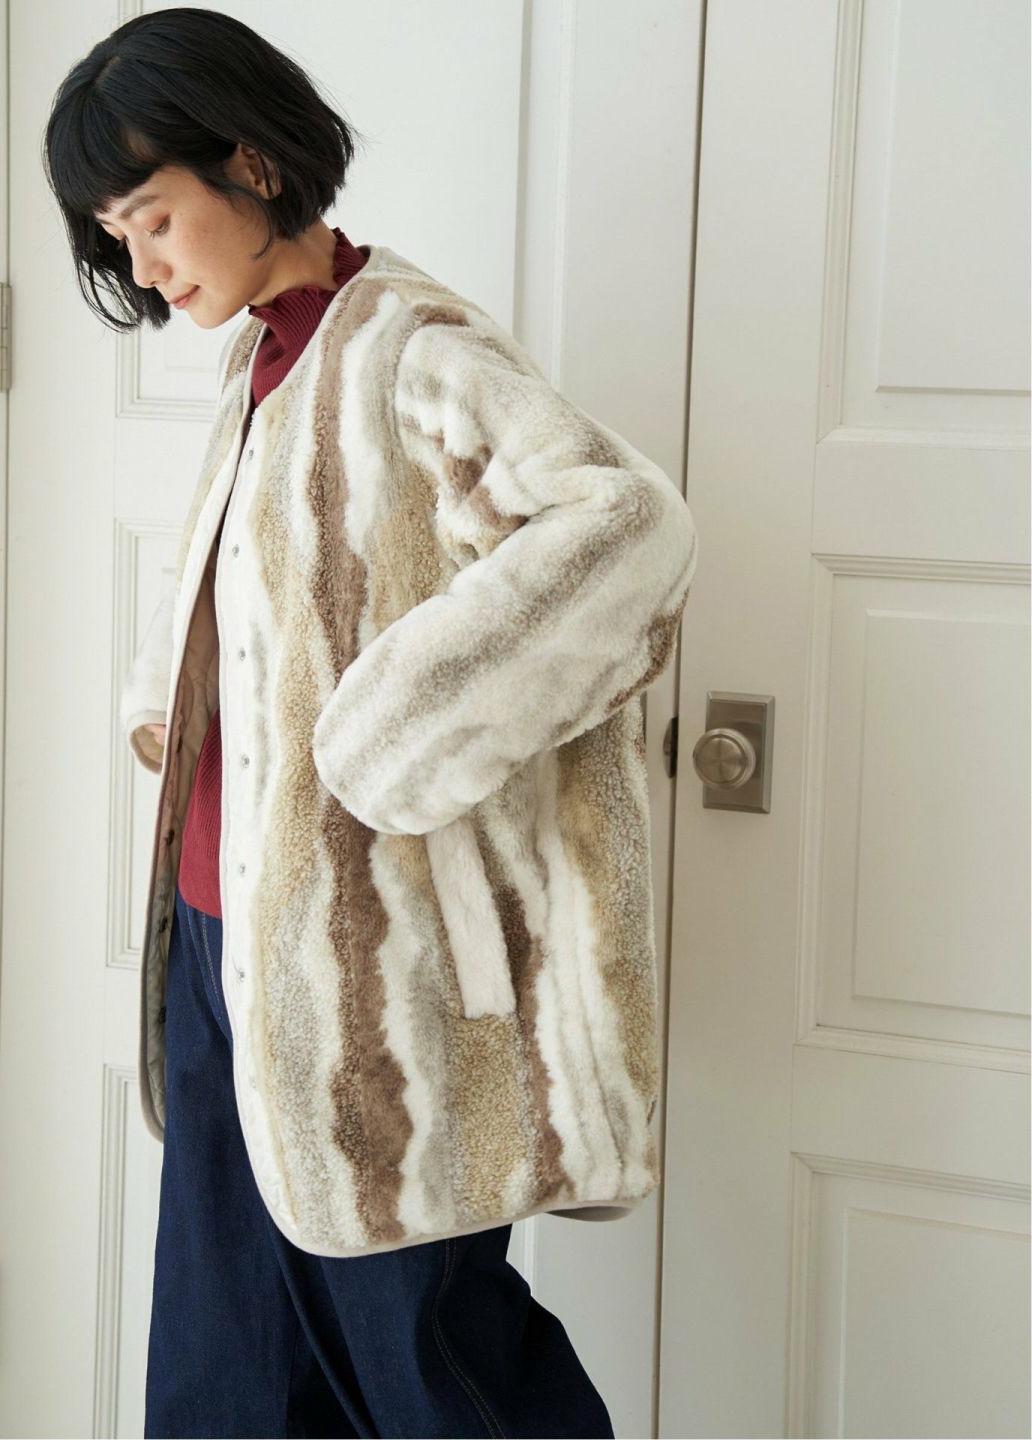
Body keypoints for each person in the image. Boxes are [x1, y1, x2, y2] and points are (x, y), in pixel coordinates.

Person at [44, 8, 697, 1436]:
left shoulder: (410, 345)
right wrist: (172, 707)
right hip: (219, 939)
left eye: (154, 221)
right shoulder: (265, 359)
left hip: (369, 969)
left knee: (430, 1368)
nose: (144, 269)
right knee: (230, 1366)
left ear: (254, 164)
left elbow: (626, 528)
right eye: (118, 239)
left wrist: (388, 741)